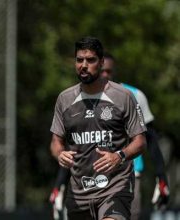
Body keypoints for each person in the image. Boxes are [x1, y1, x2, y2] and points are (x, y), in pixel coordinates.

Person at [50, 36, 147, 220]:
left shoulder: (123, 96)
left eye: (90, 60)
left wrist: (120, 156)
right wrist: (60, 154)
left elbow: (141, 142)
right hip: (79, 194)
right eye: (79, 60)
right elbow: (56, 141)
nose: (83, 65)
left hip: (114, 190)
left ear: (101, 63)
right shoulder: (65, 99)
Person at [102, 52, 170, 220]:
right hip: (95, 177)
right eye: (101, 70)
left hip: (130, 176)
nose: (104, 75)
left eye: (108, 71)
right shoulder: (81, 99)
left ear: (114, 71)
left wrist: (161, 177)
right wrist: (60, 184)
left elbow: (151, 140)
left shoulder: (134, 95)